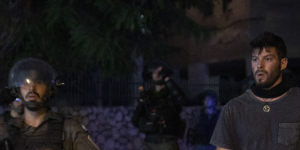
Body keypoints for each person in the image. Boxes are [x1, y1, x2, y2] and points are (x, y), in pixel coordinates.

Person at [210, 32, 300, 150]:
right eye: (255, 59)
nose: (259, 65)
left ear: (283, 63)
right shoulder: (234, 109)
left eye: (267, 58)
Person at [0, 58, 101, 150]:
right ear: (18, 88)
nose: (32, 88)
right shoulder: (4, 127)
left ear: (49, 88)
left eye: (38, 82)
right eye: (26, 83)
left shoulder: (68, 129)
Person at [131, 61, 186, 150]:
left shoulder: (172, 94)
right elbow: (135, 119)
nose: (158, 74)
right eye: (156, 72)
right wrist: (148, 125)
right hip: (150, 142)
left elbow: (183, 101)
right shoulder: (147, 96)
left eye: (161, 72)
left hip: (167, 142)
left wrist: (168, 80)